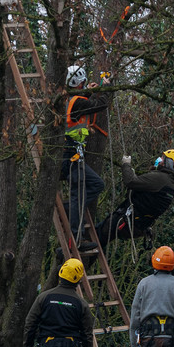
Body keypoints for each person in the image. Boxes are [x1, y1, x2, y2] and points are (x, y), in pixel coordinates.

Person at [89, 149, 174, 249]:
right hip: (138, 226)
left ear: (169, 163)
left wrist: (126, 165)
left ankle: (77, 258)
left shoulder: (160, 178)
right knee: (99, 239)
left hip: (128, 220)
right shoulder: (171, 185)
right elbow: (144, 189)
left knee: (96, 236)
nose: (160, 159)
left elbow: (130, 182)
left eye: (163, 158)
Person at [61, 66, 108, 245]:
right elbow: (100, 105)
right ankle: (76, 237)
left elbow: (81, 103)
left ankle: (71, 208)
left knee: (96, 184)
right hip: (70, 155)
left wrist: (90, 91)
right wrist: (104, 89)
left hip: (73, 154)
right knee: (77, 195)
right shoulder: (77, 102)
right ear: (81, 82)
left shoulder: (69, 99)